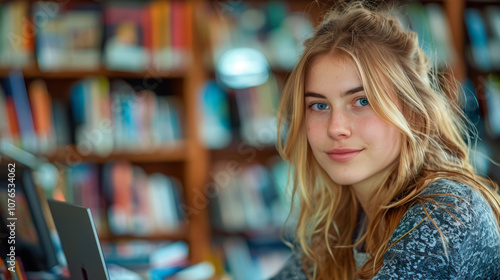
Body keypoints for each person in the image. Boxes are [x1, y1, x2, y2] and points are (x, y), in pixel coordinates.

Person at [271, 2, 500, 279]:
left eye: (362, 101)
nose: (336, 128)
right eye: (319, 106)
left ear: (412, 111)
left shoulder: (447, 212)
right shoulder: (343, 224)